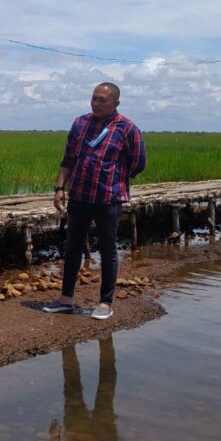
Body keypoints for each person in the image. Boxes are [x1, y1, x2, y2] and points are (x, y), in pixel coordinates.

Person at [44, 83, 146, 320]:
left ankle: (105, 303)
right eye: (94, 98)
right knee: (73, 247)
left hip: (108, 198)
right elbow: (68, 158)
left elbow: (138, 161)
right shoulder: (81, 123)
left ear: (116, 103)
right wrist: (59, 187)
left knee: (109, 250)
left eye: (102, 100)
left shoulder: (127, 128)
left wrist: (116, 177)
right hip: (79, 195)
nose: (96, 103)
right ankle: (66, 298)